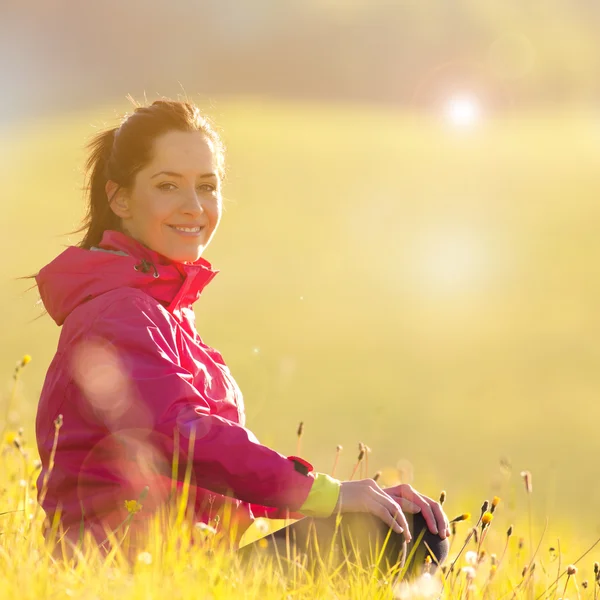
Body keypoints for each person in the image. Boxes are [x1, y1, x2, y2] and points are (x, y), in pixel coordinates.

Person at [33, 98, 450, 573]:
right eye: (168, 185)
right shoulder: (119, 312)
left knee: (408, 525)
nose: (193, 207)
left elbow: (213, 480)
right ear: (120, 198)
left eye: (207, 187)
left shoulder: (164, 314)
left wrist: (350, 495)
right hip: (132, 574)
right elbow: (184, 438)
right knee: (400, 536)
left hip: (192, 564)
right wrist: (329, 496)